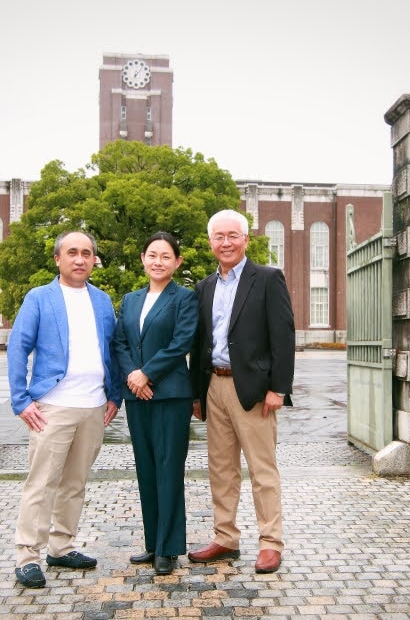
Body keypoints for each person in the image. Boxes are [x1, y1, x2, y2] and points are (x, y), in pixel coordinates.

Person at [8, 230, 121, 588]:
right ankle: (28, 555)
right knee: (41, 482)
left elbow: (112, 350)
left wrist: (115, 395)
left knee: (75, 483)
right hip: (52, 406)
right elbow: (17, 347)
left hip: (92, 407)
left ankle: (61, 546)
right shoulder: (40, 298)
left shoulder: (102, 301)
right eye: (72, 252)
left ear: (93, 260)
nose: (80, 259)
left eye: (87, 253)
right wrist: (21, 400)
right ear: (58, 259)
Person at [188, 209, 295, 574]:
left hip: (253, 389)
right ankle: (225, 537)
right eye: (219, 236)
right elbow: (200, 342)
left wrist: (279, 388)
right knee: (221, 469)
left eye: (233, 235)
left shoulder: (266, 279)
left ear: (246, 239)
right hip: (213, 386)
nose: (226, 242)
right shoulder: (203, 287)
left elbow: (283, 336)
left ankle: (270, 542)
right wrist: (197, 394)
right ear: (210, 242)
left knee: (262, 469)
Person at [113, 231, 198, 576]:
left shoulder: (185, 298)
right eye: (152, 255)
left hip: (170, 396)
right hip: (138, 396)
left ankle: (170, 548)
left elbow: (180, 343)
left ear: (176, 262)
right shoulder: (131, 300)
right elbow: (119, 343)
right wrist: (134, 376)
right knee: (146, 469)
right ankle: (152, 544)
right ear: (142, 259)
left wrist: (147, 374)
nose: (158, 261)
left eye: (165, 256)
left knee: (168, 469)